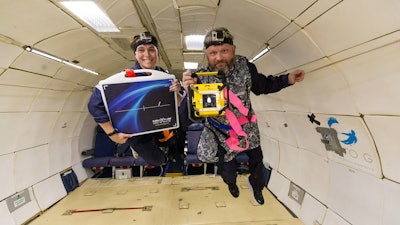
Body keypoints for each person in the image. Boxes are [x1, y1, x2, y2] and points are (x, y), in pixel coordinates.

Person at [180, 27, 305, 205]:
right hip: (219, 132)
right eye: (213, 53)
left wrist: (288, 79)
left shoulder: (246, 67)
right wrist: (188, 93)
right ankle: (231, 183)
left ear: (234, 49)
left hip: (247, 127)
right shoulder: (199, 77)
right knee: (228, 169)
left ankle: (256, 186)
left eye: (225, 51)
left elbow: (264, 85)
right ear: (206, 54)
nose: (219, 57)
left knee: (257, 161)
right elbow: (187, 119)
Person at [88, 31, 182, 166]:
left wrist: (177, 92)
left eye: (151, 50)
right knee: (158, 161)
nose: (147, 55)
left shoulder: (164, 76)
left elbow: (180, 103)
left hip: (160, 124)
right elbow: (94, 105)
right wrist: (113, 135)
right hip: (137, 132)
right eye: (141, 50)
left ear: (157, 53)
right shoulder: (124, 78)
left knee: (176, 145)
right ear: (135, 55)